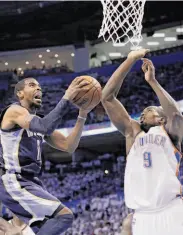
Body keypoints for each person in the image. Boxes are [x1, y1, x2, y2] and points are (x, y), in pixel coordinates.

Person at [0, 77, 96, 235]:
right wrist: (67, 96)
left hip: (30, 182)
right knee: (64, 217)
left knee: (48, 226)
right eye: (32, 85)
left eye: (39, 86)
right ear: (20, 93)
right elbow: (45, 126)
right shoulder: (14, 111)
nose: (38, 89)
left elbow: (68, 146)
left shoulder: (36, 122)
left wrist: (82, 115)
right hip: (13, 180)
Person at [102, 49, 183, 235]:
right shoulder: (132, 134)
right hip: (142, 215)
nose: (144, 111)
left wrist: (152, 81)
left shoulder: (169, 132)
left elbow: (176, 115)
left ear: (162, 119)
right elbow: (106, 97)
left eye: (150, 109)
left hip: (172, 208)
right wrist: (129, 60)